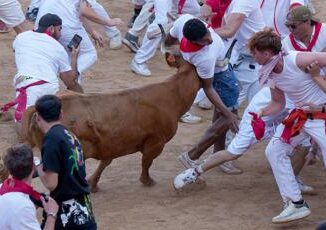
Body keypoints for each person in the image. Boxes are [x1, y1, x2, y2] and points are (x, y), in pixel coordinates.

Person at [0, 13, 82, 135]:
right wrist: (74, 57)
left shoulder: (21, 37)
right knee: (75, 89)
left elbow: (16, 49)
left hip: (23, 80)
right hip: (45, 84)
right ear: (51, 29)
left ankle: (21, 113)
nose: (60, 33)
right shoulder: (57, 47)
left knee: (23, 121)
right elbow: (70, 81)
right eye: (59, 29)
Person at [165, 15, 239, 135]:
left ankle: (181, 111)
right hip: (220, 75)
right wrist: (228, 114)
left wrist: (173, 55)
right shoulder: (205, 57)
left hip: (198, 66)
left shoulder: (184, 20)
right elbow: (208, 88)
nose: (210, 40)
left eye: (208, 33)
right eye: (204, 40)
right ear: (193, 41)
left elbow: (168, 41)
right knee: (226, 113)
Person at [34, 95, 97, 229]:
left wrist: (38, 165)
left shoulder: (51, 139)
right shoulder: (69, 134)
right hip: (83, 209)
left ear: (37, 117)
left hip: (66, 215)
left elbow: (51, 184)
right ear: (61, 114)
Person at [35, 0, 123, 76]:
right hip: (65, 26)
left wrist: (92, 32)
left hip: (41, 24)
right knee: (89, 53)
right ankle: (71, 76)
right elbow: (83, 10)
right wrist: (108, 22)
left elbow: (77, 11)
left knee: (65, 56)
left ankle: (69, 78)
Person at [0, 144, 58, 230]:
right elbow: (18, 209)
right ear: (34, 167)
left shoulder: (3, 188)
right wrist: (51, 215)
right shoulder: (23, 206)